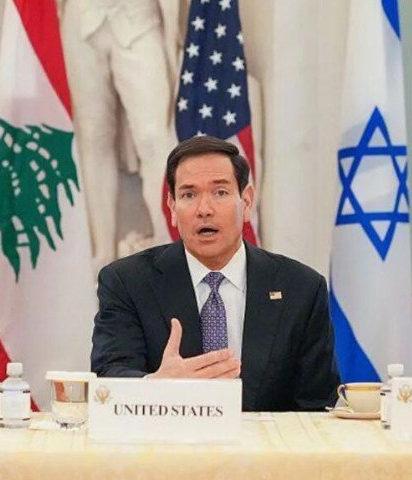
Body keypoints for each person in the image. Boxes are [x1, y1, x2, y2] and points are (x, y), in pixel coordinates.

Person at [91, 136, 339, 411]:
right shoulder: (127, 282)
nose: (204, 210)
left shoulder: (301, 288)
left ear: (246, 202)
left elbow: (318, 405)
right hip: (167, 438)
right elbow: (109, 378)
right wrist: (157, 386)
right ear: (172, 208)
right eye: (189, 195)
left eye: (219, 192)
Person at [48, 0, 197, 268]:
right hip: (83, 23)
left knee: (154, 137)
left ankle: (166, 237)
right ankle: (100, 251)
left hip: (142, 22)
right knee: (93, 135)